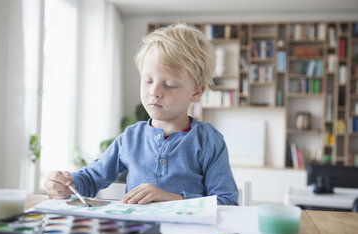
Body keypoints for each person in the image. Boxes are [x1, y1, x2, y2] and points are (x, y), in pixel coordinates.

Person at [44, 23, 239, 205]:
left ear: (196, 92)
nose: (154, 92)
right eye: (148, 81)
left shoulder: (208, 141)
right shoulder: (130, 138)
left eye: (169, 84)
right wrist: (66, 184)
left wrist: (170, 198)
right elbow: (91, 178)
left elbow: (227, 202)